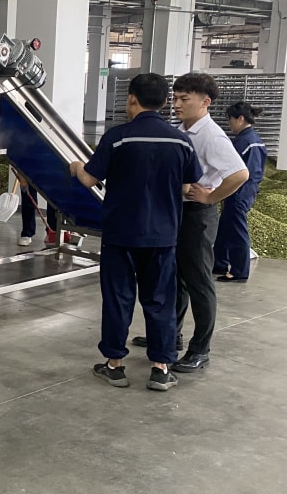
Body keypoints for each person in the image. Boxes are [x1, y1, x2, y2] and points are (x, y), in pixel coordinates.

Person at [70, 73, 202, 391]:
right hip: (163, 235)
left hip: (121, 233)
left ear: (131, 99)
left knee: (119, 298)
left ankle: (114, 365)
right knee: (161, 300)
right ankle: (161, 368)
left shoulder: (118, 138)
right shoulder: (181, 141)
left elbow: (89, 179)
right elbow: (187, 186)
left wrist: (75, 166)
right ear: (165, 102)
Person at [131, 73, 248, 373]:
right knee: (175, 278)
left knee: (198, 281)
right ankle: (171, 337)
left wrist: (210, 197)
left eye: (185, 99)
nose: (177, 104)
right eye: (176, 98)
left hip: (198, 215)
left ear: (205, 102)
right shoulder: (181, 130)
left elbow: (240, 174)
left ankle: (200, 349)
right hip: (177, 212)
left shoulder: (211, 136)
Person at [212, 102, 267, 283]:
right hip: (248, 190)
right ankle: (219, 262)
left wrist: (222, 191)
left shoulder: (244, 141)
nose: (229, 124)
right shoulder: (256, 140)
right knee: (225, 227)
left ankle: (239, 270)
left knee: (237, 230)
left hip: (239, 191)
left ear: (240, 119)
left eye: (230, 120)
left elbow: (236, 171)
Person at [16, 177, 59, 247]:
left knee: (53, 194)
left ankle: (53, 231)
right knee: (28, 195)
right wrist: (22, 178)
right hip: (30, 171)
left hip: (53, 172)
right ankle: (27, 233)